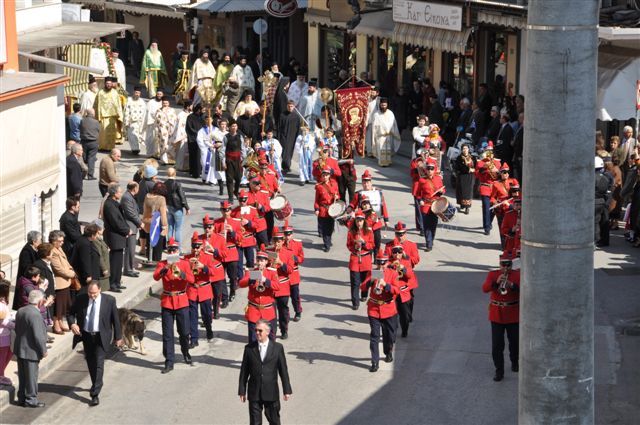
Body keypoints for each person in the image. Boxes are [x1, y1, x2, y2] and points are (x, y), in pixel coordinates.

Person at [68, 281, 123, 405]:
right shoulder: (81, 299)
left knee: (99, 363)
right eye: (90, 293)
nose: (92, 296)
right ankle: (96, 382)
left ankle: (95, 393)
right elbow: (70, 313)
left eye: (94, 293)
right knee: (91, 362)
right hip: (87, 335)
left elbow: (115, 320)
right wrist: (72, 324)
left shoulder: (109, 300)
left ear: (100, 290)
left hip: (101, 336)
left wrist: (118, 337)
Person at [238, 319, 292, 425]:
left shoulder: (277, 348)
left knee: (274, 421)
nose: (257, 333)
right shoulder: (249, 348)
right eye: (256, 330)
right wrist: (242, 390)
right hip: (254, 392)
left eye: (260, 331)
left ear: (267, 332)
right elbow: (244, 371)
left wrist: (287, 389)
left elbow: (283, 370)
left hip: (271, 392)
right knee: (255, 422)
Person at [153, 238, 194, 374]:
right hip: (167, 301)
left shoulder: (185, 263)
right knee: (167, 334)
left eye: (174, 250)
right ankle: (169, 361)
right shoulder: (162, 264)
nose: (172, 252)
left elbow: (192, 279)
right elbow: (155, 277)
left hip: (181, 300)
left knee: (184, 332)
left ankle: (185, 351)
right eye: (170, 250)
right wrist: (166, 268)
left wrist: (181, 273)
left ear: (178, 250)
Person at [482, 255, 520, 382]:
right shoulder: (493, 275)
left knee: (514, 342)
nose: (505, 268)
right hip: (497, 314)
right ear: (499, 264)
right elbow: (484, 289)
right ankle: (499, 370)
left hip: (513, 313)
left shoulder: (517, 275)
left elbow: (524, 290)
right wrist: (496, 282)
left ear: (511, 265)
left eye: (508, 265)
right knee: (497, 345)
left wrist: (512, 285)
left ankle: (515, 362)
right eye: (503, 265)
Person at [361, 250, 400, 372]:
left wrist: (386, 285)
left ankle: (388, 352)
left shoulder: (392, 273)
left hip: (388, 309)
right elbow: (362, 287)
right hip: (374, 309)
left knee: (389, 335)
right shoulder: (373, 272)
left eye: (383, 263)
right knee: (374, 336)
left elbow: (397, 290)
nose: (380, 266)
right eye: (378, 263)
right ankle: (375, 362)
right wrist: (371, 281)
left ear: (387, 262)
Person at [14, 290, 48, 408]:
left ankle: (22, 398)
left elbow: (17, 329)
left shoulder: (21, 310)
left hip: (20, 349)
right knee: (32, 377)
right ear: (39, 302)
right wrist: (43, 350)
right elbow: (38, 335)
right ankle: (31, 399)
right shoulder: (35, 314)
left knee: (23, 376)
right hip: (31, 351)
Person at [184, 233, 215, 347]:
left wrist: (203, 267)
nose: (196, 249)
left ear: (201, 246)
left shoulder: (207, 257)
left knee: (206, 314)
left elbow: (213, 272)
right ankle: (194, 338)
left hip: (204, 289)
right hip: (192, 289)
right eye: (194, 246)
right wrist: (189, 266)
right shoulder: (187, 258)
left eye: (198, 246)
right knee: (192, 315)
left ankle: (209, 330)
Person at [267, 229, 294, 339]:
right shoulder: (269, 252)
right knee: (272, 314)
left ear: (283, 241)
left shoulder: (289, 253)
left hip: (283, 287)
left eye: (279, 241)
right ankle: (272, 335)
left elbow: (290, 270)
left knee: (283, 311)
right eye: (275, 241)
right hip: (271, 288)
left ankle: (284, 330)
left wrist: (281, 263)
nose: (277, 243)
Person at [103, 184, 131, 292]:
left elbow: (121, 219)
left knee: (119, 262)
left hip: (119, 237)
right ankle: (113, 283)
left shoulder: (115, 203)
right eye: (119, 192)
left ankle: (117, 282)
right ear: (114, 193)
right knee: (115, 262)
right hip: (114, 237)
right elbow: (116, 222)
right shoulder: (109, 205)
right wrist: (127, 230)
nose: (121, 193)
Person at [48, 230, 75, 333]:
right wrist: (71, 274)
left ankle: (60, 321)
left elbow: (66, 262)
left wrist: (71, 269)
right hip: (59, 283)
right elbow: (58, 268)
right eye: (60, 241)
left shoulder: (59, 248)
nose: (62, 243)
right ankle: (56, 324)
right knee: (58, 306)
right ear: (54, 241)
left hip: (65, 282)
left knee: (64, 305)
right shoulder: (52, 251)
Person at [346, 211, 375, 310]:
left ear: (364, 221)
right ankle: (355, 302)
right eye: (358, 220)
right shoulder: (351, 232)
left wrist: (364, 243)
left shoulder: (369, 231)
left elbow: (372, 245)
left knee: (365, 280)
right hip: (355, 258)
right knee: (355, 282)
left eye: (361, 220)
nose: (359, 222)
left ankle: (364, 294)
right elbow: (348, 245)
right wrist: (354, 246)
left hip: (365, 258)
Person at [416, 158, 445, 251]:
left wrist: (441, 191)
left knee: (433, 225)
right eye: (428, 168)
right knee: (427, 225)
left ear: (435, 169)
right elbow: (417, 193)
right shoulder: (422, 180)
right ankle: (429, 243)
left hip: (436, 205)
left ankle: (431, 239)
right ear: (426, 169)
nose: (430, 171)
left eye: (432, 169)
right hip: (426, 205)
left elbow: (443, 189)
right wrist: (420, 200)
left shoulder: (438, 179)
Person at [389, 244, 418, 338]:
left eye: (399, 252)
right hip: (392, 292)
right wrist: (390, 266)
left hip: (402, 292)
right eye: (395, 252)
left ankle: (404, 330)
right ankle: (392, 333)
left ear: (402, 253)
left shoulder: (406, 262)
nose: (397, 254)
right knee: (391, 316)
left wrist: (403, 268)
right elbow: (380, 274)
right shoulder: (388, 263)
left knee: (405, 316)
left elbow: (410, 276)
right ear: (392, 253)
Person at [475, 143, 502, 235]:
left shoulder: (497, 162)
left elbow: (502, 176)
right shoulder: (481, 162)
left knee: (494, 208)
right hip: (485, 187)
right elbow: (477, 175)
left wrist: (497, 171)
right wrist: (484, 168)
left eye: (491, 152)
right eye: (488, 151)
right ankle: (487, 227)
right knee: (486, 207)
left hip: (495, 188)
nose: (489, 153)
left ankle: (488, 222)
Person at [94, 77, 124, 151]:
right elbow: (97, 104)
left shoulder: (115, 92)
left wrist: (120, 115)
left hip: (112, 117)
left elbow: (118, 104)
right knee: (103, 133)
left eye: (110, 84)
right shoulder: (100, 92)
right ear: (105, 84)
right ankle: (102, 147)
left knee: (112, 133)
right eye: (107, 83)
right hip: (103, 116)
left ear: (112, 84)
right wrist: (98, 116)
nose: (108, 85)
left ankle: (111, 147)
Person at [142, 182, 169, 262]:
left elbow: (144, 210)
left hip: (147, 223)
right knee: (157, 245)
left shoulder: (147, 196)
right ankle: (156, 262)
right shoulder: (161, 199)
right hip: (157, 224)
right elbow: (163, 215)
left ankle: (149, 259)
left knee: (149, 242)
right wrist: (165, 226)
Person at [221, 120, 247, 202]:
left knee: (239, 178)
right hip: (229, 160)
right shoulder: (226, 137)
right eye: (232, 126)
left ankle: (236, 191)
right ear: (229, 127)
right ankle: (230, 197)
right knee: (229, 179)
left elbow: (243, 148)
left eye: (235, 126)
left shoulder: (240, 137)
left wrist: (244, 160)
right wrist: (223, 161)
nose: (234, 128)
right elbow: (222, 150)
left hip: (238, 160)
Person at [314, 168, 339, 252]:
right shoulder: (319, 187)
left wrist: (337, 197)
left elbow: (338, 195)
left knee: (331, 227)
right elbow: (316, 200)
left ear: (329, 176)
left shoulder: (334, 184)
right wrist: (316, 209)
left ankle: (328, 238)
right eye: (323, 175)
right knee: (325, 228)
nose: (325, 177)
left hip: (332, 209)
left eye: (326, 175)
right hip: (323, 209)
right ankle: (326, 244)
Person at [371, 98, 401, 167]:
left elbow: (393, 123)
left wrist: (389, 129)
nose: (383, 106)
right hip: (380, 135)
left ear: (387, 105)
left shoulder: (390, 113)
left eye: (384, 105)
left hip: (388, 135)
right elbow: (375, 125)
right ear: (380, 105)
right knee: (381, 148)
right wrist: (382, 129)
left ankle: (388, 161)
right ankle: (382, 162)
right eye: (382, 105)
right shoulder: (376, 114)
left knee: (388, 149)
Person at [165, 167, 190, 249]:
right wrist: (187, 208)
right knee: (178, 229)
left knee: (170, 227)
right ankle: (178, 249)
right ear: (175, 174)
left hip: (168, 207)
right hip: (177, 208)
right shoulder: (177, 184)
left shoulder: (164, 183)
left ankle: (170, 247)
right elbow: (182, 196)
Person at [121, 181, 142, 277]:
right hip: (130, 226)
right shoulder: (126, 197)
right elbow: (131, 213)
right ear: (134, 189)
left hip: (133, 226)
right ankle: (128, 269)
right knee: (130, 249)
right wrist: (139, 223)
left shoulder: (129, 196)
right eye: (138, 188)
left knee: (132, 249)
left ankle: (130, 268)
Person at [71, 224, 101, 289]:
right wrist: (88, 275)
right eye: (97, 234)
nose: (97, 236)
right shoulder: (85, 244)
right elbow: (85, 260)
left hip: (90, 272)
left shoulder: (85, 240)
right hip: (87, 276)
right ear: (92, 235)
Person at [278, 101, 301, 174]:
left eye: (291, 106)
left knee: (289, 152)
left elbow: (298, 128)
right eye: (289, 106)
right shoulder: (282, 115)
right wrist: (278, 137)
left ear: (294, 107)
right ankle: (285, 166)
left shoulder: (296, 116)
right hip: (283, 136)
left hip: (292, 136)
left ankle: (287, 166)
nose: (290, 108)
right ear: (286, 106)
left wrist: (298, 138)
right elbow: (279, 127)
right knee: (284, 152)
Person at [154, 96, 178, 164]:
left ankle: (170, 159)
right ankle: (163, 160)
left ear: (169, 103)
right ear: (162, 103)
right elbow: (156, 121)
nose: (165, 105)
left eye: (166, 103)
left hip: (171, 130)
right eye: (164, 103)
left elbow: (175, 119)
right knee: (163, 144)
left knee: (170, 144)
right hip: (162, 131)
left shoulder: (172, 110)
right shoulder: (158, 111)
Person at [124, 86, 147, 155]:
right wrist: (126, 121)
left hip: (139, 122)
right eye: (136, 92)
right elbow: (126, 111)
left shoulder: (142, 102)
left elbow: (144, 113)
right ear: (133, 92)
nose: (137, 94)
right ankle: (134, 149)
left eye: (138, 93)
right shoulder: (129, 100)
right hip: (131, 122)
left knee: (138, 136)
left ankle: (137, 148)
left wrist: (144, 122)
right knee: (132, 136)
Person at [595, 156, 612, 247]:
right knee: (603, 221)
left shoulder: (595, 177)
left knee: (597, 221)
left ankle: (598, 239)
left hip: (599, 201)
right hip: (604, 200)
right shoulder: (605, 176)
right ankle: (602, 240)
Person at [455, 143, 476, 214]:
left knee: (469, 192)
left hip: (470, 177)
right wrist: (467, 170)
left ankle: (467, 207)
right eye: (463, 148)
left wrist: (474, 170)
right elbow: (458, 167)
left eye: (466, 148)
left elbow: (476, 165)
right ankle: (462, 204)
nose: (465, 150)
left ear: (468, 149)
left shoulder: (473, 157)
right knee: (461, 191)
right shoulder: (459, 158)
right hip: (462, 176)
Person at [0, 280, 14, 386]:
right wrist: (15, 325)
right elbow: (3, 321)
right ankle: (1, 376)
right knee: (3, 356)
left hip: (5, 334)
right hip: (2, 335)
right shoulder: (1, 305)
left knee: (8, 353)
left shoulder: (2, 303)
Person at [80, 108, 100, 180]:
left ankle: (83, 173)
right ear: (93, 114)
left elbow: (80, 129)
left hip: (84, 141)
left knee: (84, 157)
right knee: (91, 158)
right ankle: (90, 175)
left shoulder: (82, 121)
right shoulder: (96, 122)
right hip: (93, 142)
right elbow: (98, 130)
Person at [92, 220, 112, 292]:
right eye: (103, 228)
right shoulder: (95, 240)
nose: (104, 229)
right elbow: (99, 256)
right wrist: (104, 269)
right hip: (101, 271)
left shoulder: (99, 238)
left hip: (104, 268)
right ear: (98, 230)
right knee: (100, 291)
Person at [187, 104, 205, 178]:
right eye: (202, 110)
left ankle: (198, 171)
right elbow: (189, 128)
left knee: (199, 156)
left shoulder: (202, 117)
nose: (203, 111)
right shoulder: (190, 117)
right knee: (194, 156)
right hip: (193, 139)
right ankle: (194, 172)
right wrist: (198, 133)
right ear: (198, 109)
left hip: (201, 139)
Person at [144, 90, 164, 157]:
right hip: (151, 123)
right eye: (158, 94)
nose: (159, 95)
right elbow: (147, 112)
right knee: (150, 139)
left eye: (160, 94)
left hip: (160, 124)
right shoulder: (151, 102)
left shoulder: (163, 102)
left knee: (158, 139)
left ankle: (157, 154)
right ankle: (149, 154)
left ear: (162, 95)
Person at [173, 101, 192, 171]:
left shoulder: (191, 114)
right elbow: (178, 126)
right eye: (191, 106)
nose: (192, 107)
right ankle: (179, 166)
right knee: (181, 151)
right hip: (182, 136)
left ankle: (187, 166)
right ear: (188, 107)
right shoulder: (181, 115)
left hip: (189, 136)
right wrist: (182, 135)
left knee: (188, 152)